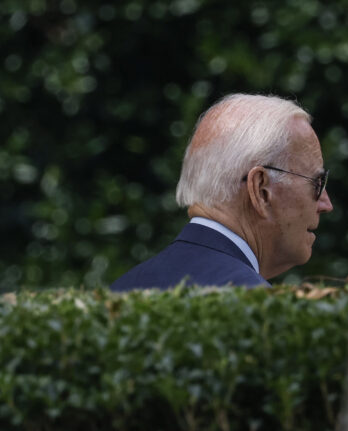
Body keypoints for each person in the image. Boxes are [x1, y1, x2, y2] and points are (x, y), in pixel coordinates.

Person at [110, 94, 333, 290]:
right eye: (317, 183)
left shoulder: (116, 294)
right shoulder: (262, 311)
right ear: (261, 190)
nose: (326, 204)